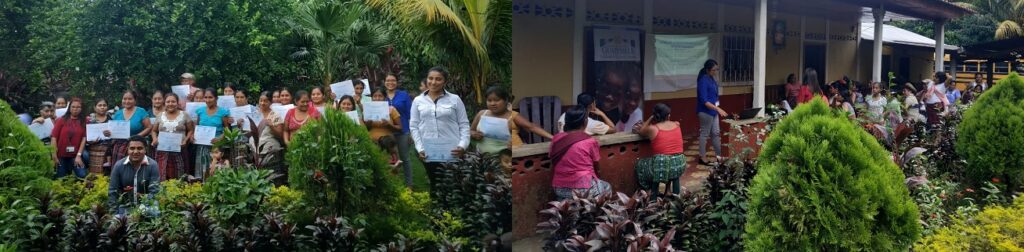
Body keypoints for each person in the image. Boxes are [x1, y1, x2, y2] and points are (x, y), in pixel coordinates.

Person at [410, 66, 471, 193]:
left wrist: (462, 146)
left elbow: (464, 125)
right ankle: (437, 210)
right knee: (435, 183)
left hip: (452, 150)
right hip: (429, 150)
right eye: (430, 78)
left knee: (454, 183)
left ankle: (453, 210)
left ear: (445, 82)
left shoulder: (455, 99)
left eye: (438, 79)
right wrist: (420, 148)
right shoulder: (418, 101)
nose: (433, 82)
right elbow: (414, 126)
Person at [550, 105, 610, 200]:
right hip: (583, 189)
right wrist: (597, 177)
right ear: (585, 122)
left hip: (559, 188)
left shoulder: (556, 139)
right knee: (606, 187)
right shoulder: (590, 141)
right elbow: (596, 165)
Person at [472, 86, 552, 154]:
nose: (493, 103)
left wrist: (552, 137)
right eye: (489, 100)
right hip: (483, 158)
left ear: (506, 100)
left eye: (496, 100)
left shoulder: (513, 115)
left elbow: (532, 127)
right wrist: (473, 134)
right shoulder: (482, 114)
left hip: (510, 158)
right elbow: (470, 131)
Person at [633, 103, 686, 196]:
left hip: (661, 169)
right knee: (668, 160)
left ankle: (649, 191)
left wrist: (650, 118)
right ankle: (668, 191)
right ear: (668, 115)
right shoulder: (677, 124)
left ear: (655, 116)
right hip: (679, 166)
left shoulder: (653, 129)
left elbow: (641, 131)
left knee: (640, 164)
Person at [107, 136, 160, 215]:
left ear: (145, 149)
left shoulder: (152, 165)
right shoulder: (119, 165)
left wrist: (139, 212)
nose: (135, 152)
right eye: (132, 148)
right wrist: (114, 214)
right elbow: (113, 192)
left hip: (146, 207)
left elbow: (154, 192)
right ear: (127, 150)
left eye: (139, 148)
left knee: (155, 212)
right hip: (125, 207)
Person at [383, 74, 415, 187]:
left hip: (403, 131)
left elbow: (410, 114)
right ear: (384, 82)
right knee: (390, 159)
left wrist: (411, 132)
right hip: (386, 133)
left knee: (405, 158)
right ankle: (392, 184)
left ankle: (409, 185)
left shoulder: (403, 95)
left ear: (397, 82)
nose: (390, 82)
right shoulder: (381, 96)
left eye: (393, 80)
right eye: (388, 80)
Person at [151, 93, 193, 181]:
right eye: (168, 101)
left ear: (177, 103)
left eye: (173, 101)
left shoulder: (185, 115)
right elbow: (154, 131)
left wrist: (186, 140)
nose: (170, 104)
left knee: (180, 175)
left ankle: (179, 193)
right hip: (162, 151)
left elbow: (190, 130)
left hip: (180, 151)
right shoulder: (160, 115)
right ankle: (162, 193)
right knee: (162, 174)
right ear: (164, 103)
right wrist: (155, 139)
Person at [193, 88, 231, 180]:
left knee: (216, 170)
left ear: (216, 98)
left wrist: (219, 139)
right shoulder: (200, 111)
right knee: (202, 169)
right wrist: (194, 136)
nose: (207, 100)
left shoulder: (223, 112)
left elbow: (227, 130)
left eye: (210, 97)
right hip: (202, 146)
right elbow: (197, 127)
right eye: (205, 97)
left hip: (216, 147)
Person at [697, 59, 728, 165]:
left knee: (715, 133)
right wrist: (718, 109)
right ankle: (702, 157)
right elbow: (704, 101)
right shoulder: (703, 80)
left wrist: (717, 108)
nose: (716, 72)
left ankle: (719, 156)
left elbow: (714, 97)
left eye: (717, 69)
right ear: (708, 70)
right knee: (704, 134)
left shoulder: (712, 79)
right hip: (705, 112)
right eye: (714, 70)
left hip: (713, 112)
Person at [110, 90, 152, 166]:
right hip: (119, 146)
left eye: (130, 99)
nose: (127, 101)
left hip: (136, 145)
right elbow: (112, 131)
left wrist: (136, 137)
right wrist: (108, 133)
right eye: (124, 99)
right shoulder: (117, 114)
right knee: (120, 167)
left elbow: (149, 127)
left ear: (135, 100)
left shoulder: (141, 111)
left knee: (135, 167)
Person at [254, 91, 287, 185]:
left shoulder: (274, 115)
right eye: (260, 100)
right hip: (256, 152)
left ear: (270, 102)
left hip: (270, 151)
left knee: (272, 175)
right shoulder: (254, 114)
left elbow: (280, 135)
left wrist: (271, 126)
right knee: (258, 177)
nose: (262, 103)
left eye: (265, 101)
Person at [51, 97, 88, 178]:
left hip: (75, 155)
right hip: (61, 155)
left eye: (78, 107)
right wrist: (54, 155)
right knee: (61, 177)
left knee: (82, 175)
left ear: (81, 108)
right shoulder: (61, 120)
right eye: (73, 107)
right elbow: (54, 137)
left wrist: (78, 156)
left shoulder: (84, 121)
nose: (75, 109)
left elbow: (84, 138)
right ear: (69, 108)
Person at [366, 89, 403, 165]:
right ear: (371, 98)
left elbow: (400, 128)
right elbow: (364, 128)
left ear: (385, 97)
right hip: (371, 143)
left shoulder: (391, 110)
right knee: (376, 167)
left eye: (380, 96)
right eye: (375, 96)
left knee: (391, 168)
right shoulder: (367, 109)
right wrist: (368, 123)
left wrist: (389, 125)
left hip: (388, 144)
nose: (377, 98)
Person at [86, 99, 113, 174]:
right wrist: (90, 141)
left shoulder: (111, 119)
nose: (102, 107)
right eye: (99, 105)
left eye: (104, 105)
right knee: (94, 172)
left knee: (107, 173)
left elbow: (115, 135)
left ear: (107, 107)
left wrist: (111, 134)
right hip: (93, 149)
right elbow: (85, 136)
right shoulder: (89, 120)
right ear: (95, 107)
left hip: (108, 148)